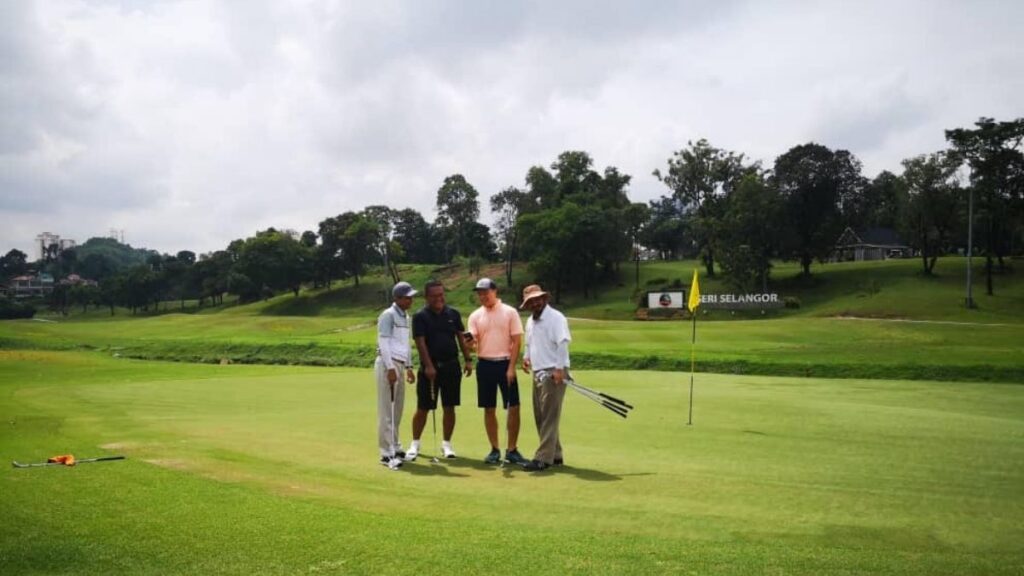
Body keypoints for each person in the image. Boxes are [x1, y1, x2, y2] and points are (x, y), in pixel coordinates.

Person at [406, 280, 473, 460]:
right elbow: (420, 343)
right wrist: (428, 365)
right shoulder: (420, 316)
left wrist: (468, 360)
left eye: (441, 295)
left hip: (452, 366)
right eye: (435, 296)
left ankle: (446, 445)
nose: (439, 298)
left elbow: (461, 337)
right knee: (423, 407)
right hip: (430, 368)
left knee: (449, 406)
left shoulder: (453, 314)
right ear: (427, 297)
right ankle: (415, 444)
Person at [466, 278, 529, 465]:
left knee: (514, 407)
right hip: (484, 364)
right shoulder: (475, 316)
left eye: (486, 292)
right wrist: (469, 344)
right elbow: (473, 344)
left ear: (495, 291)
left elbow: (517, 341)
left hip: (505, 364)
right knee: (488, 407)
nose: (483, 296)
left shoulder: (510, 312)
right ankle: (494, 449)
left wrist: (511, 367)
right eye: (479, 293)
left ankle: (512, 449)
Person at [519, 284, 571, 472]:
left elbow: (563, 342)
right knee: (541, 415)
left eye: (537, 299)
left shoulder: (556, 317)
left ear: (544, 299)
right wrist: (526, 357)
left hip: (553, 371)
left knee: (549, 416)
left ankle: (543, 458)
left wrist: (559, 369)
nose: (535, 303)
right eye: (531, 301)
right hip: (538, 371)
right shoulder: (531, 321)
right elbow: (529, 342)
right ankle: (555, 454)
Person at [375, 281, 417, 469]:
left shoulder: (406, 317)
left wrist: (408, 366)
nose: (411, 300)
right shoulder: (388, 315)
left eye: (411, 297)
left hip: (400, 363)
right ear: (397, 298)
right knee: (387, 409)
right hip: (387, 364)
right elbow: (383, 342)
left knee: (397, 409)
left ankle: (396, 446)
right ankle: (386, 453)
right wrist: (390, 367)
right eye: (407, 297)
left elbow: (405, 343)